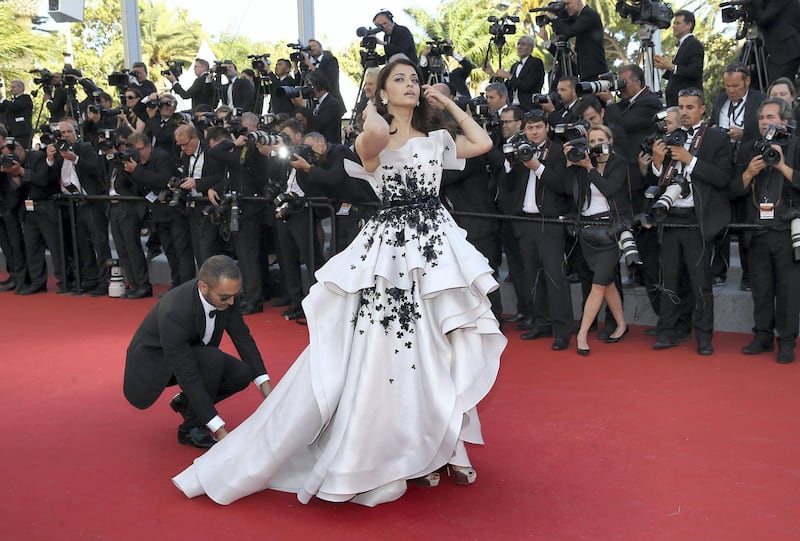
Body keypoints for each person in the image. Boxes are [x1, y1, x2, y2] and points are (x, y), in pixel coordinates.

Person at [172, 58, 505, 507]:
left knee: (438, 348)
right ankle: (408, 451)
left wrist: (445, 102)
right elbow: (380, 137)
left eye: (415, 79)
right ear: (383, 91)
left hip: (435, 248)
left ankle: (440, 445)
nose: (412, 85)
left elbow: (482, 141)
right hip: (390, 254)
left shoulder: (437, 138)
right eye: (400, 80)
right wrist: (373, 104)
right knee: (396, 356)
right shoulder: (373, 138)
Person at [124, 255, 272, 449]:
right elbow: (187, 373)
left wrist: (267, 389)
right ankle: (190, 429)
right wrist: (218, 428)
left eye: (235, 295)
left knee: (242, 373)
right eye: (225, 297)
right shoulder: (174, 311)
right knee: (212, 360)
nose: (232, 302)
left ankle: (188, 404)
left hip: (193, 350)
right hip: (156, 362)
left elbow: (243, 338)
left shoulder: (227, 295)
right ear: (203, 287)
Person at [650, 88, 733, 355]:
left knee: (700, 283)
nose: (684, 112)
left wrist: (691, 160)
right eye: (681, 107)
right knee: (669, 279)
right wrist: (656, 161)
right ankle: (667, 331)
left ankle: (704, 337)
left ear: (702, 109)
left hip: (698, 220)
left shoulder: (717, 138)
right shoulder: (669, 137)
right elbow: (658, 179)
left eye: (689, 107)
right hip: (671, 217)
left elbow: (723, 179)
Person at [733, 98, 800, 364]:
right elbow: (732, 189)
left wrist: (782, 165)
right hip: (756, 229)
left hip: (786, 229)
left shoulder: (795, 146)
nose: (764, 122)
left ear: (784, 121)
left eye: (770, 117)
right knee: (760, 289)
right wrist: (748, 172)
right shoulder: (750, 148)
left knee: (787, 292)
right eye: (761, 118)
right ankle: (761, 336)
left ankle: (786, 342)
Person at [564, 125, 630, 355]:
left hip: (611, 231)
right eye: (591, 140)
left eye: (601, 139)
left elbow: (610, 189)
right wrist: (570, 164)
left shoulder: (618, 163)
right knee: (607, 282)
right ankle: (621, 324)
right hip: (588, 231)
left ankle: (582, 334)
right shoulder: (582, 162)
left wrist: (590, 168)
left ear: (610, 141)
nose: (596, 144)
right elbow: (568, 191)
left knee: (599, 284)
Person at [543, 0, 608, 81]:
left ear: (578, 1)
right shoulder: (579, 17)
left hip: (595, 72)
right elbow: (564, 32)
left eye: (568, 4)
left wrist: (554, 18)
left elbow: (569, 31)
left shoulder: (588, 14)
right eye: (564, 5)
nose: (566, 8)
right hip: (586, 72)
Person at [654, 10, 705, 107]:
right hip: (676, 104)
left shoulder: (693, 44)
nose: (673, 26)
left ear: (689, 25)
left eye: (677, 23)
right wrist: (663, 66)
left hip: (686, 104)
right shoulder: (683, 45)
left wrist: (672, 67)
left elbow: (695, 71)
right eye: (674, 23)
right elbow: (676, 73)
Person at [482, 35, 544, 112]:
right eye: (518, 44)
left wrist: (509, 76)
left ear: (531, 48)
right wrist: (492, 74)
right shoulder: (515, 66)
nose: (519, 47)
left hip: (528, 108)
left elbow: (527, 86)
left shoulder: (536, 63)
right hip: (513, 106)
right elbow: (505, 88)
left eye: (523, 44)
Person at [750, 0, 800, 85]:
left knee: (778, 87)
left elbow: (763, 19)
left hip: (785, 49)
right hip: (785, 48)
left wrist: (755, 3)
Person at [0, 80, 34, 149]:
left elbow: (15, 107)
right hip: (10, 132)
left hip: (21, 132)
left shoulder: (25, 98)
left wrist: (2, 98)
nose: (11, 89)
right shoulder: (11, 101)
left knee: (21, 150)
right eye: (11, 87)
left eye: (13, 87)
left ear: (21, 88)